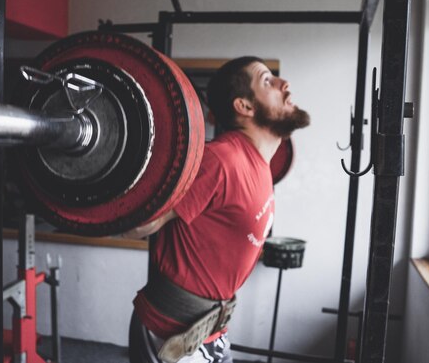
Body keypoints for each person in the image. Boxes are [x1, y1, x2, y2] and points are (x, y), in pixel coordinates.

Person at [123, 56, 310, 363]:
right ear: (245, 107)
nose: (283, 84)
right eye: (266, 80)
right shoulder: (220, 160)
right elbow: (140, 225)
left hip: (210, 331)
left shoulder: (259, 165)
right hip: (170, 334)